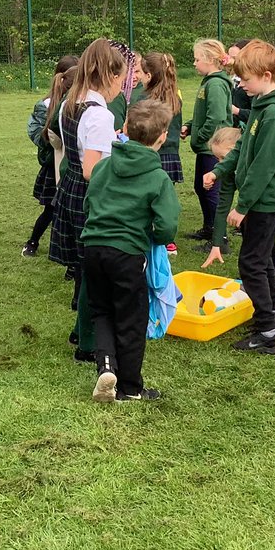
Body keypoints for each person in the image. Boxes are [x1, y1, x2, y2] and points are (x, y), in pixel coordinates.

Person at [81, 99, 180, 403]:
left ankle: (106, 366)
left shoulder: (105, 165)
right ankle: (130, 387)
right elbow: (166, 227)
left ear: (124, 129)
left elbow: (89, 204)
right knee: (131, 317)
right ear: (162, 137)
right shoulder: (157, 178)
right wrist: (148, 234)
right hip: (127, 255)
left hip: (92, 247)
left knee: (101, 310)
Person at [203, 40, 275, 355]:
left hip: (264, 200)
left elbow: (264, 165)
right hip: (259, 199)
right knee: (262, 258)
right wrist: (219, 171)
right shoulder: (260, 105)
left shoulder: (274, 114)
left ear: (267, 75)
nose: (241, 85)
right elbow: (243, 148)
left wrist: (242, 207)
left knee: (251, 264)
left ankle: (267, 333)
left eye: (245, 80)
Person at [48, 39, 126, 361]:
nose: (122, 86)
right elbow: (93, 169)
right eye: (121, 79)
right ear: (108, 75)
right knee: (95, 272)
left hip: (69, 187)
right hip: (87, 194)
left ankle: (81, 331)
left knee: (85, 268)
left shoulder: (71, 98)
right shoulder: (99, 115)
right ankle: (89, 344)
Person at [203, 128, 275, 285]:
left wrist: (244, 209)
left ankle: (272, 276)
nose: (221, 163)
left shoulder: (258, 162)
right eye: (217, 158)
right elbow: (222, 206)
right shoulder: (228, 169)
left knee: (261, 230)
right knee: (257, 231)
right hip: (257, 195)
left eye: (223, 157)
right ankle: (271, 274)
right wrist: (216, 244)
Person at [23, 55, 78, 258]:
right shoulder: (46, 105)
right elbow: (36, 133)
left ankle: (68, 252)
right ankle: (32, 242)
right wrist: (54, 140)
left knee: (68, 211)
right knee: (51, 209)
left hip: (71, 163)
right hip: (53, 164)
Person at [181, 38, 232, 244]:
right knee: (201, 187)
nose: (194, 64)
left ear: (210, 60)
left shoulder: (217, 84)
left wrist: (200, 136)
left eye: (197, 59)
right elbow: (204, 115)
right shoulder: (209, 82)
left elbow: (216, 117)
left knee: (211, 191)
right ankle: (209, 228)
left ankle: (221, 237)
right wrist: (190, 125)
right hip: (205, 147)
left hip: (213, 147)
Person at [135, 51, 183, 254]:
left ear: (149, 75)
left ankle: (147, 235)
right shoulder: (174, 96)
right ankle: (167, 239)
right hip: (171, 153)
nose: (137, 77)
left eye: (141, 72)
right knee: (163, 199)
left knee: (146, 198)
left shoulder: (143, 99)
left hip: (151, 153)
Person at [225, 38, 253, 127]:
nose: (229, 61)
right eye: (229, 56)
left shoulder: (254, 84)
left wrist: (237, 111)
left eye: (234, 58)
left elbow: (259, 114)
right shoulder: (232, 78)